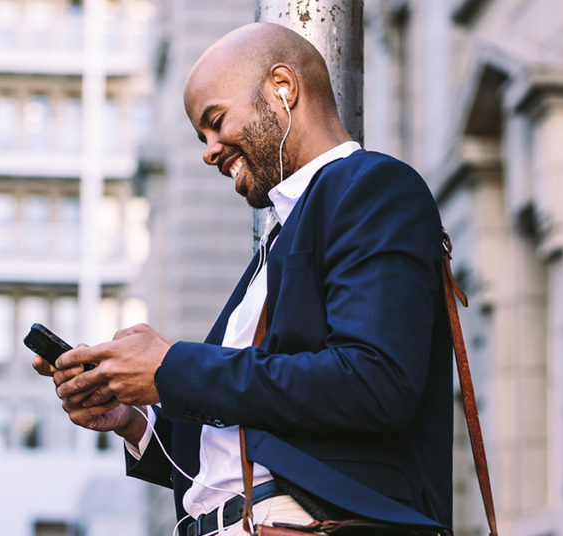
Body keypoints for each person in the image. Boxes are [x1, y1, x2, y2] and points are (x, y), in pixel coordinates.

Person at [33, 22, 453, 536]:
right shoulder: (274, 245)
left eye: (216, 121)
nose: (209, 151)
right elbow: (243, 442)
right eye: (201, 137)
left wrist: (171, 367)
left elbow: (374, 382)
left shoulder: (370, 188)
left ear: (284, 87)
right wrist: (133, 420)